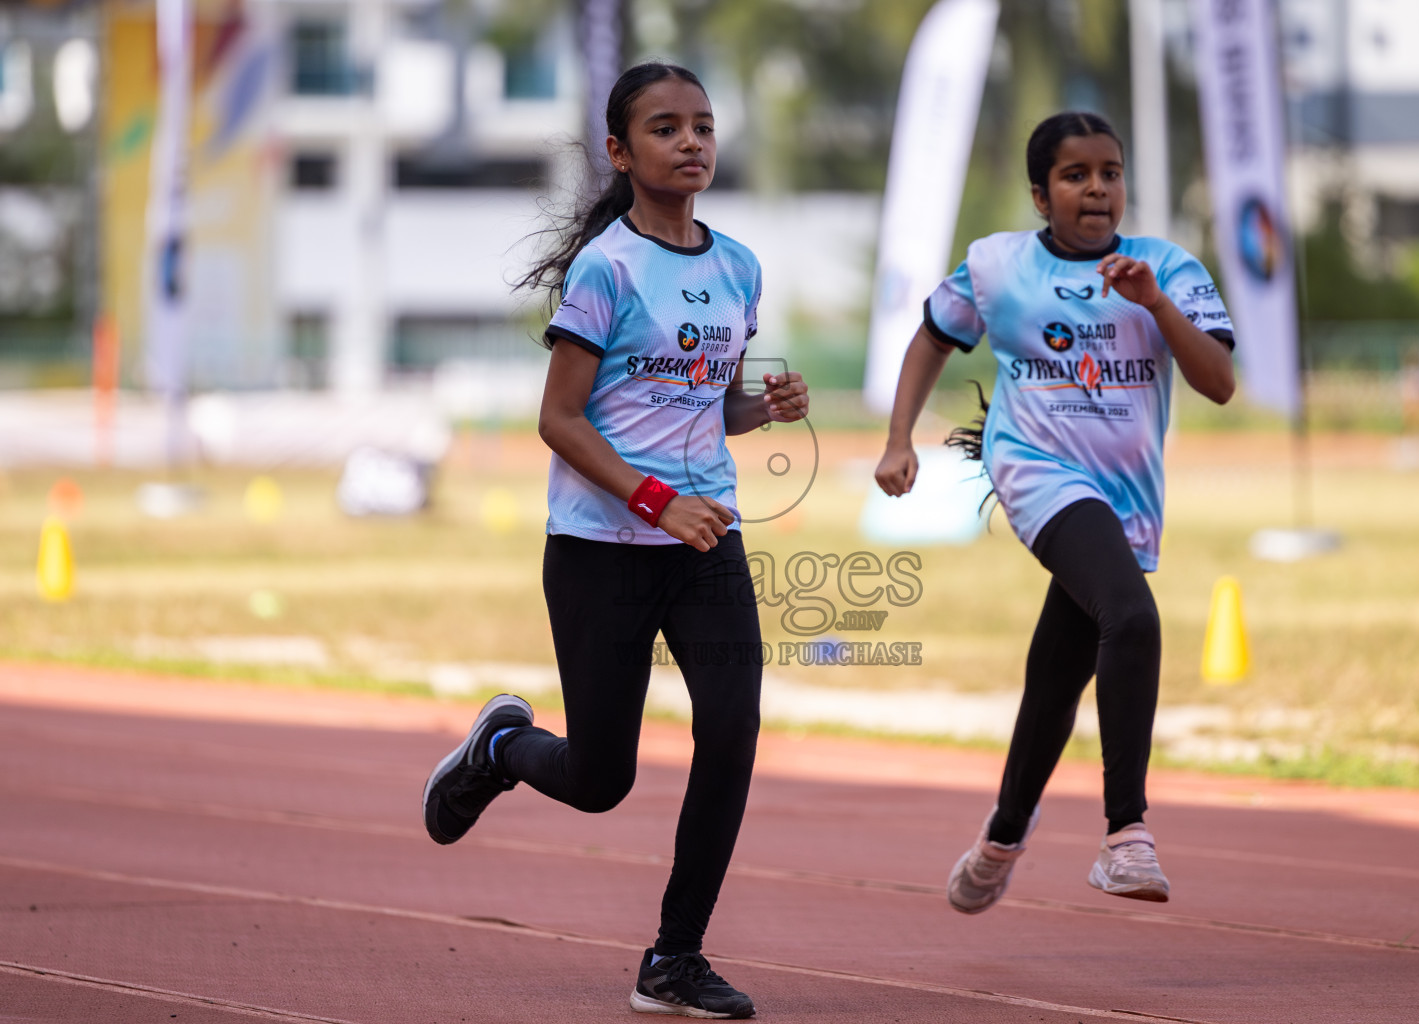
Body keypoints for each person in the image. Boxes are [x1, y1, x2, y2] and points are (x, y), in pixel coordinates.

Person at [422, 62, 808, 1019]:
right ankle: (500, 748)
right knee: (600, 782)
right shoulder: (606, 268)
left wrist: (762, 407)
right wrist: (652, 501)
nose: (691, 143)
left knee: (731, 732)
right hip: (601, 546)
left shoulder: (740, 267)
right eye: (666, 127)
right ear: (619, 151)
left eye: (703, 126)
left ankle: (674, 958)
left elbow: (699, 408)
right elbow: (561, 419)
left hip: (703, 541)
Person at [874, 111, 1235, 911]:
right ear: (1041, 195)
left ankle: (1000, 838)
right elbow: (933, 338)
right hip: (1035, 469)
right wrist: (901, 437)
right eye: (1076, 176)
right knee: (1133, 622)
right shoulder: (998, 266)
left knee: (1057, 673)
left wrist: (1155, 307)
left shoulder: (1167, 267)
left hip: (1127, 495)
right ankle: (1126, 834)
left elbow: (1218, 382)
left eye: (1110, 172)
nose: (1097, 188)